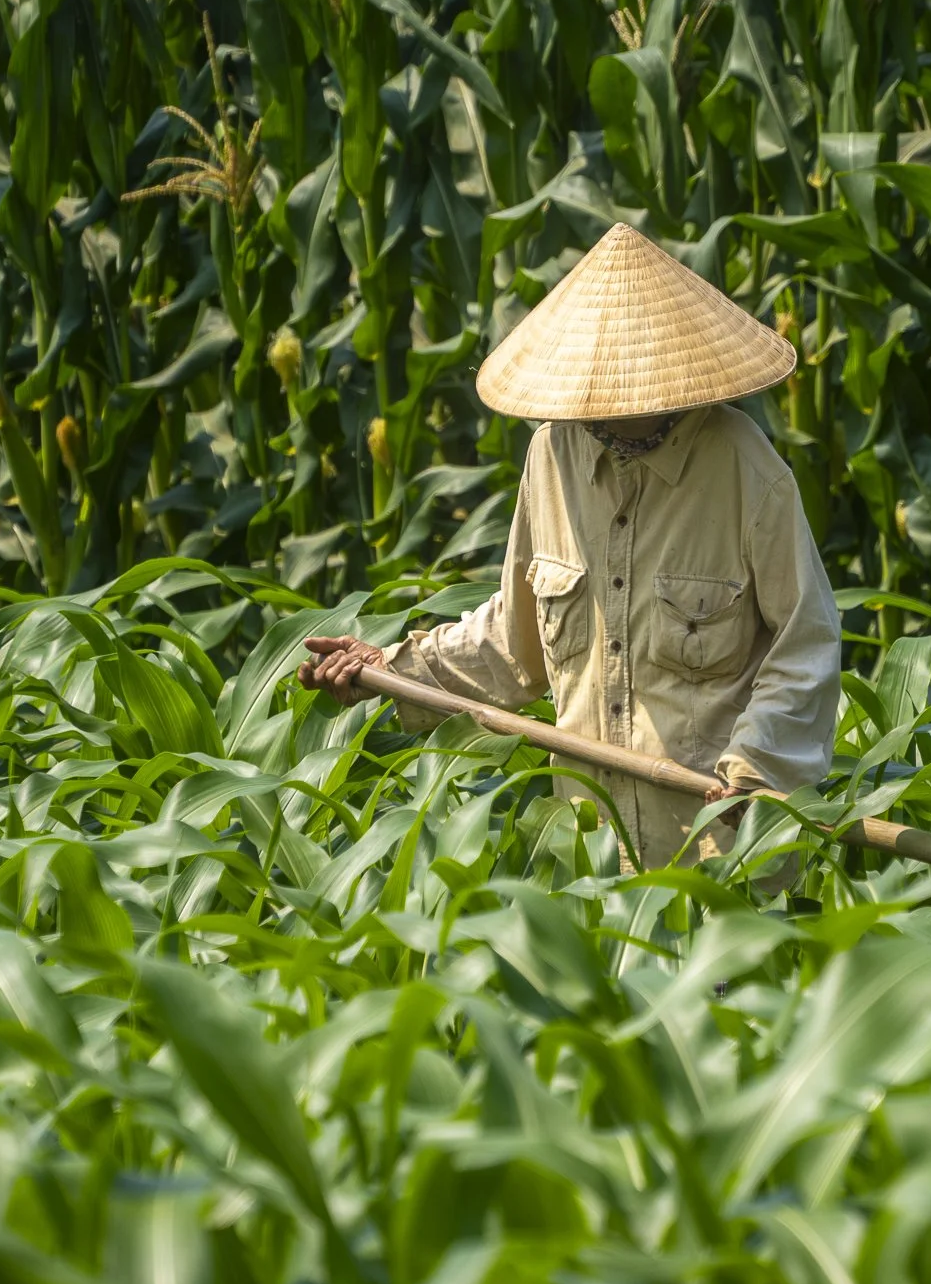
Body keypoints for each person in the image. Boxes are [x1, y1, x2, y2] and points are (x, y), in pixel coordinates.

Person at [298, 224, 842, 870]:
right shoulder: (551, 456)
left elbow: (806, 646)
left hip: (718, 862)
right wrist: (392, 670)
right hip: (592, 867)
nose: (597, 406)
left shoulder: (746, 472)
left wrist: (753, 773)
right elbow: (516, 643)